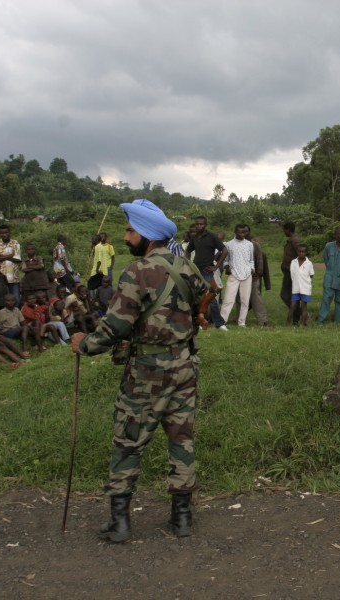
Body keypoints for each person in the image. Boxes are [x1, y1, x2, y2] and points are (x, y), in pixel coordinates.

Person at [71, 198, 206, 543]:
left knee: (128, 442)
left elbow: (115, 326)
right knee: (182, 440)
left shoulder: (137, 271)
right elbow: (204, 298)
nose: (127, 237)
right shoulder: (186, 267)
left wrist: (84, 344)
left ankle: (120, 523)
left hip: (147, 372)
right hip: (185, 366)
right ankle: (183, 520)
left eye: (131, 231)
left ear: (147, 235)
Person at [186, 216, 227, 331]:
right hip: (196, 271)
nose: (199, 226)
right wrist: (188, 264)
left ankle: (217, 323)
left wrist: (216, 266)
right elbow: (188, 251)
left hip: (207, 270)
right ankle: (203, 322)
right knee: (201, 297)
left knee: (209, 296)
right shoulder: (194, 238)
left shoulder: (212, 237)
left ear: (206, 225)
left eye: (201, 224)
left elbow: (224, 250)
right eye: (197, 224)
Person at [219, 224, 255, 327]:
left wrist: (252, 269)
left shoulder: (249, 244)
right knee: (228, 299)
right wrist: (227, 268)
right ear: (235, 232)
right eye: (240, 232)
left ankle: (242, 322)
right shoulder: (229, 244)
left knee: (245, 300)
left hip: (247, 275)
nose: (242, 234)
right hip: (234, 274)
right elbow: (225, 260)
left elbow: (251, 260)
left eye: (244, 232)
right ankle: (222, 321)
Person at [318, 228, 340, 325]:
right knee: (326, 299)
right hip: (330, 277)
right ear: (336, 236)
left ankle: (338, 321)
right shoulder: (328, 246)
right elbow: (326, 259)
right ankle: (321, 320)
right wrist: (331, 270)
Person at [0, 225, 22, 300]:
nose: (4, 234)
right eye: (2, 233)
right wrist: (10, 255)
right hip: (0, 278)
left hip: (14, 278)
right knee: (1, 300)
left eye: (6, 232)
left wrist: (1, 257)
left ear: (9, 233)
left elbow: (18, 260)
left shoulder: (15, 243)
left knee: (16, 300)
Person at [288, 243, 314, 326]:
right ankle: (288, 322)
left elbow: (311, 275)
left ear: (306, 252)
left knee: (304, 306)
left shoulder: (309, 263)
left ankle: (303, 323)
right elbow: (292, 273)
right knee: (292, 306)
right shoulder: (293, 262)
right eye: (299, 251)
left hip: (305, 288)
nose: (301, 253)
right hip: (295, 288)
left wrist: (305, 282)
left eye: (303, 252)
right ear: (297, 252)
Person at [279, 221, 300, 316]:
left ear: (288, 229)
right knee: (291, 294)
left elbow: (301, 253)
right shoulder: (291, 240)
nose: (284, 231)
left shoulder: (294, 241)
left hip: (291, 271)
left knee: (284, 295)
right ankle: (297, 316)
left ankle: (299, 313)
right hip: (288, 270)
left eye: (284, 229)